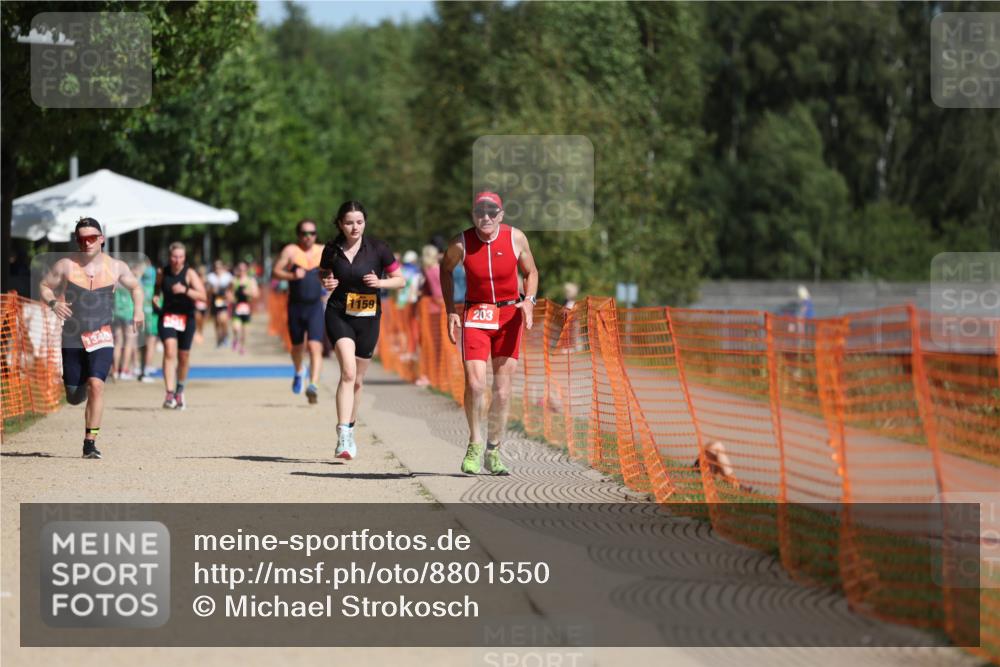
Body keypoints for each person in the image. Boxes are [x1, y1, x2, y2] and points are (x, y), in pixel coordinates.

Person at [441, 192, 539, 476]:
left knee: (503, 390)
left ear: (501, 214)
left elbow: (531, 272)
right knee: (475, 384)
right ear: (473, 215)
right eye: (480, 212)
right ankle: (475, 443)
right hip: (476, 315)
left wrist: (529, 301)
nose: (486, 217)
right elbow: (445, 270)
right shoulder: (461, 242)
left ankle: (493, 450)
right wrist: (450, 310)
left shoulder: (516, 238)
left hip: (509, 316)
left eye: (491, 212)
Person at [37, 218, 144, 458]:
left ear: (101, 239)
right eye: (82, 239)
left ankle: (90, 442)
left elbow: (136, 288)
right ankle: (79, 386)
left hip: (101, 334)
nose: (87, 243)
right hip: (72, 336)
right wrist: (53, 302)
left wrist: (138, 310)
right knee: (74, 396)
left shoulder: (116, 267)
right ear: (77, 240)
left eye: (92, 238)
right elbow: (44, 286)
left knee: (97, 385)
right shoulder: (66, 265)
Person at [319, 201, 405, 460]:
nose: (354, 227)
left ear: (365, 222)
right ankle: (343, 434)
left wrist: (380, 283)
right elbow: (323, 274)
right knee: (348, 371)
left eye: (359, 222)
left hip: (368, 318)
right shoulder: (331, 249)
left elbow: (400, 280)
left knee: (357, 380)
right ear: (340, 224)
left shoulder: (379, 249)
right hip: (339, 314)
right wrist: (327, 281)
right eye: (349, 223)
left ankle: (351, 426)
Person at [273, 219, 326, 403]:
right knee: (297, 348)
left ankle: (313, 385)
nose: (308, 237)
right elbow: (276, 271)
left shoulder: (323, 251)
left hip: (315, 306)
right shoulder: (291, 251)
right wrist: (292, 275)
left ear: (316, 235)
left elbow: (334, 271)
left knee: (315, 346)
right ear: (298, 235)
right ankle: (299, 371)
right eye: (304, 233)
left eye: (312, 233)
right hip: (295, 306)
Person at [155, 242, 207, 410]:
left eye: (180, 257)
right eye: (174, 257)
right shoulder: (162, 272)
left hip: (186, 317)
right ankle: (169, 393)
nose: (177, 260)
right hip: (168, 316)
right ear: (169, 257)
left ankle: (180, 390)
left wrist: (185, 290)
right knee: (169, 351)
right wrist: (155, 298)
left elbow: (203, 296)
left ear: (184, 258)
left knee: (183, 355)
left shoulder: (190, 273)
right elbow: (157, 289)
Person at [415, 244, 444, 387]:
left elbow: (436, 292)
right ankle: (435, 374)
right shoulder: (438, 269)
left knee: (430, 344)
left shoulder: (430, 271)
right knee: (437, 344)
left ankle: (429, 374)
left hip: (432, 311)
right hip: (438, 310)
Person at [228, 260, 259, 355]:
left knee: (245, 331)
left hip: (246, 307)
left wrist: (248, 292)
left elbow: (256, 294)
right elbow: (229, 292)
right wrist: (231, 298)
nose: (241, 271)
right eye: (239, 269)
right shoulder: (234, 280)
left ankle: (242, 347)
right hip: (237, 307)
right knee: (236, 328)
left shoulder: (251, 281)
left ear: (247, 270)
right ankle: (235, 339)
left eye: (243, 269)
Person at [206, 259, 234, 347]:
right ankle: (218, 339)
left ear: (222, 267)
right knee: (217, 321)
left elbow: (231, 287)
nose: (217, 269)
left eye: (219, 267)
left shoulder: (227, 276)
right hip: (214, 300)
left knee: (224, 320)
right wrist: (211, 290)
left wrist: (229, 294)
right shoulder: (211, 277)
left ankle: (225, 336)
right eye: (216, 267)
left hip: (223, 299)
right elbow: (208, 290)